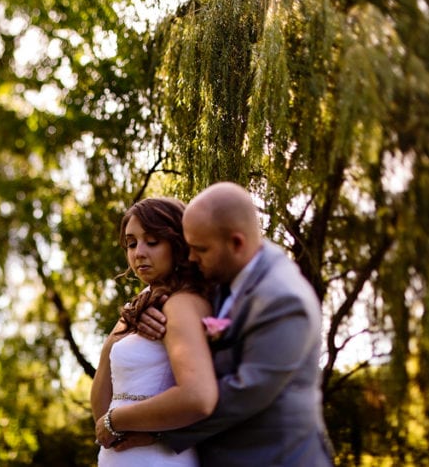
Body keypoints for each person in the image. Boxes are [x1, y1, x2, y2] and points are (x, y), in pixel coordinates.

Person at [102, 182, 335, 467]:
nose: (190, 257)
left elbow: (244, 392)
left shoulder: (284, 299)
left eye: (199, 249)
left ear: (236, 243)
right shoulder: (223, 277)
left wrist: (150, 427)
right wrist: (138, 312)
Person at [90, 197, 218, 466]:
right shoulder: (139, 304)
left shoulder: (183, 303)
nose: (138, 253)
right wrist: (115, 337)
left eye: (152, 241)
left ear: (178, 243)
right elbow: (101, 408)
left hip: (159, 458)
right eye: (131, 243)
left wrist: (117, 420)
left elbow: (197, 397)